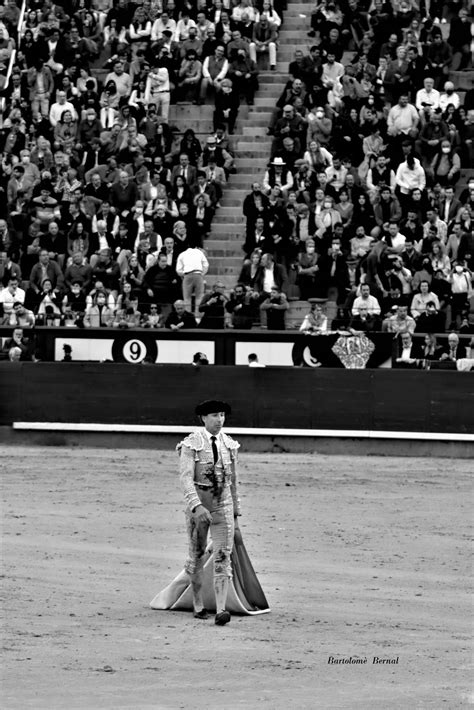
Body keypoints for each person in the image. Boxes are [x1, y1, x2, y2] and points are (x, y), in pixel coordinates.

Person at [177, 400, 240, 625]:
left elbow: (233, 482)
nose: (219, 420)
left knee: (223, 555)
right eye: (214, 415)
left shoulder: (230, 444)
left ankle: (222, 609)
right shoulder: (191, 443)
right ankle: (197, 604)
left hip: (223, 504)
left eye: (222, 415)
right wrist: (196, 506)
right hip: (199, 506)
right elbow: (185, 478)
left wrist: (236, 514)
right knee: (197, 553)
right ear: (203, 418)